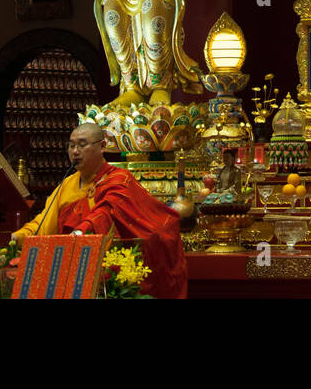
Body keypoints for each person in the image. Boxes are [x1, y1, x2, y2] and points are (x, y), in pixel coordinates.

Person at [12, 122, 188, 299]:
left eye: (82, 145)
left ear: (102, 146)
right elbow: (44, 220)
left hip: (108, 270)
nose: (75, 151)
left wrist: (82, 230)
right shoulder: (67, 184)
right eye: (71, 146)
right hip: (70, 267)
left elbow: (106, 210)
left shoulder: (119, 178)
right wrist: (19, 237)